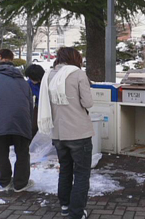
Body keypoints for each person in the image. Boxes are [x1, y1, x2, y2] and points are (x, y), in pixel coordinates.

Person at [38, 47, 94, 219]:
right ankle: (77, 212)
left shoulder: (48, 75)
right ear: (75, 58)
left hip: (58, 133)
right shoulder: (77, 74)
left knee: (65, 170)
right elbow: (88, 102)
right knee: (82, 173)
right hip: (78, 132)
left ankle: (65, 206)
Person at [0, 49, 34, 192]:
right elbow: (30, 104)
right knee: (22, 151)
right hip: (22, 120)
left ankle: (5, 181)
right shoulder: (23, 81)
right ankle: (21, 183)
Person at [25, 64, 45, 138]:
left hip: (49, 106)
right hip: (38, 106)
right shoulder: (29, 83)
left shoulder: (47, 81)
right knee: (33, 127)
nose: (31, 80)